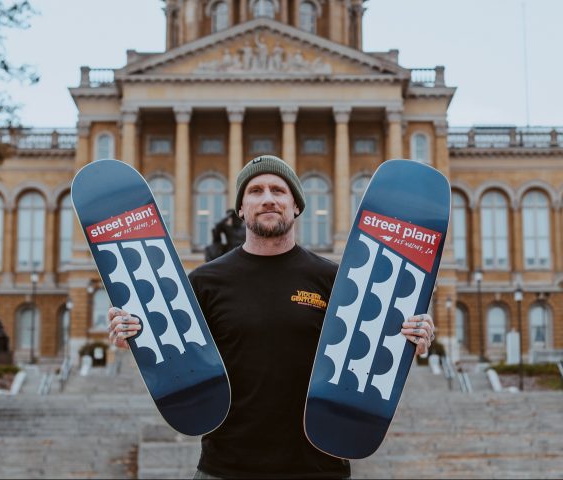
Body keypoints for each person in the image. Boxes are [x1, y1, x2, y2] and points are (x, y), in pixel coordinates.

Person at [109, 155, 435, 479]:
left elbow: (371, 351)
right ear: (240, 209)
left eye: (279, 191)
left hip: (317, 468)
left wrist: (411, 338)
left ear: (296, 206)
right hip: (226, 467)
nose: (268, 199)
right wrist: (134, 335)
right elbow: (173, 354)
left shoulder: (338, 281)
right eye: (255, 191)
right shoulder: (203, 283)